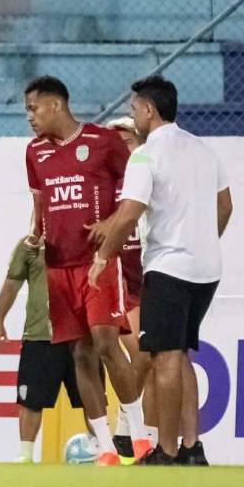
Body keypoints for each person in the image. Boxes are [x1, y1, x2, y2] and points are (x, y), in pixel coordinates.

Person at [88, 76, 231, 466]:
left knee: (165, 358)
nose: (133, 115)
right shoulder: (203, 150)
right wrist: (203, 242)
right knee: (180, 355)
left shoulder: (146, 155)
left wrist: (103, 257)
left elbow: (128, 214)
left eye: (134, 108)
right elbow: (225, 206)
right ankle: (192, 446)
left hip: (169, 268)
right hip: (207, 270)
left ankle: (166, 450)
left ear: (149, 110)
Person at [23, 76, 149, 465]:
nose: (29, 117)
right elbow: (41, 203)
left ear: (56, 105)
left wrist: (112, 224)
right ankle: (106, 448)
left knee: (106, 343)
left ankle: (139, 435)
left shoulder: (103, 141)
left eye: (34, 109)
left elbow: (136, 192)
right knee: (81, 354)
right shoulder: (34, 152)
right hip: (57, 266)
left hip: (98, 262)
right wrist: (36, 233)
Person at [0, 236, 87, 463]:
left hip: (81, 335)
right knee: (30, 400)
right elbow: (11, 284)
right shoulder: (30, 245)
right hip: (40, 334)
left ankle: (103, 449)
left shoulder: (83, 238)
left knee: (91, 399)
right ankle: (25, 455)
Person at [104, 115, 154, 458]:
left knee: (157, 360)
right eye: (116, 144)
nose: (122, 150)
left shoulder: (150, 178)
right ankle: (127, 427)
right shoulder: (103, 184)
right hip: (119, 283)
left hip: (151, 279)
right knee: (142, 352)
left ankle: (143, 435)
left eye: (128, 142)